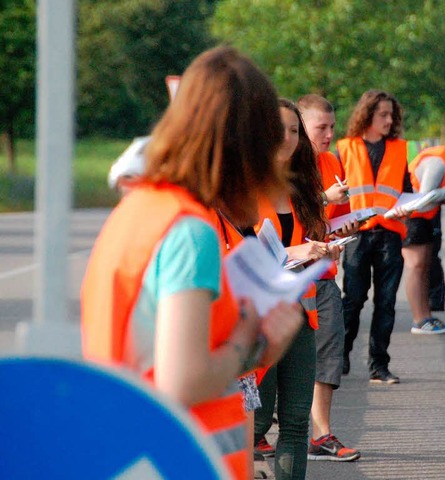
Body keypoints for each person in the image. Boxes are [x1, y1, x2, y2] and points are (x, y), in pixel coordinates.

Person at [81, 46, 305, 479]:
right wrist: (250, 342)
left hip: (128, 452)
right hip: (176, 461)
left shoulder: (139, 209)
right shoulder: (192, 232)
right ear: (248, 146)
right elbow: (181, 382)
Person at [253, 98, 339, 480]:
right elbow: (236, 253)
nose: (288, 139)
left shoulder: (300, 189)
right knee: (253, 425)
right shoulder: (241, 188)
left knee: (295, 423)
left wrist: (323, 248)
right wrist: (298, 250)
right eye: (280, 130)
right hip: (256, 321)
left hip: (301, 317)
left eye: (294, 131)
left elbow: (307, 245)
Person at [297, 94, 361, 462]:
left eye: (332, 126)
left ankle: (322, 434)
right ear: (300, 126)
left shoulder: (332, 160)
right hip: (288, 278)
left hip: (323, 274)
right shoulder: (284, 166)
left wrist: (344, 229)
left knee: (329, 351)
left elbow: (329, 224)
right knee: (278, 362)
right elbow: (283, 222)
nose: (329, 133)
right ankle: (258, 433)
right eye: (321, 127)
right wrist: (324, 197)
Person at [336, 89, 411, 384]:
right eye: (383, 114)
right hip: (357, 235)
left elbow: (406, 188)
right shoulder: (345, 148)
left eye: (391, 115)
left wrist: (409, 206)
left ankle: (379, 366)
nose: (389, 120)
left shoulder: (400, 149)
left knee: (386, 302)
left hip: (390, 234)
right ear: (367, 115)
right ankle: (340, 357)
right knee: (353, 299)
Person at [394, 130, 445, 334]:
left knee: (423, 268)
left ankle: (426, 316)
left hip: (421, 219)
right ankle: (419, 319)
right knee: (416, 268)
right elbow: (425, 197)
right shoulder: (438, 162)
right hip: (413, 219)